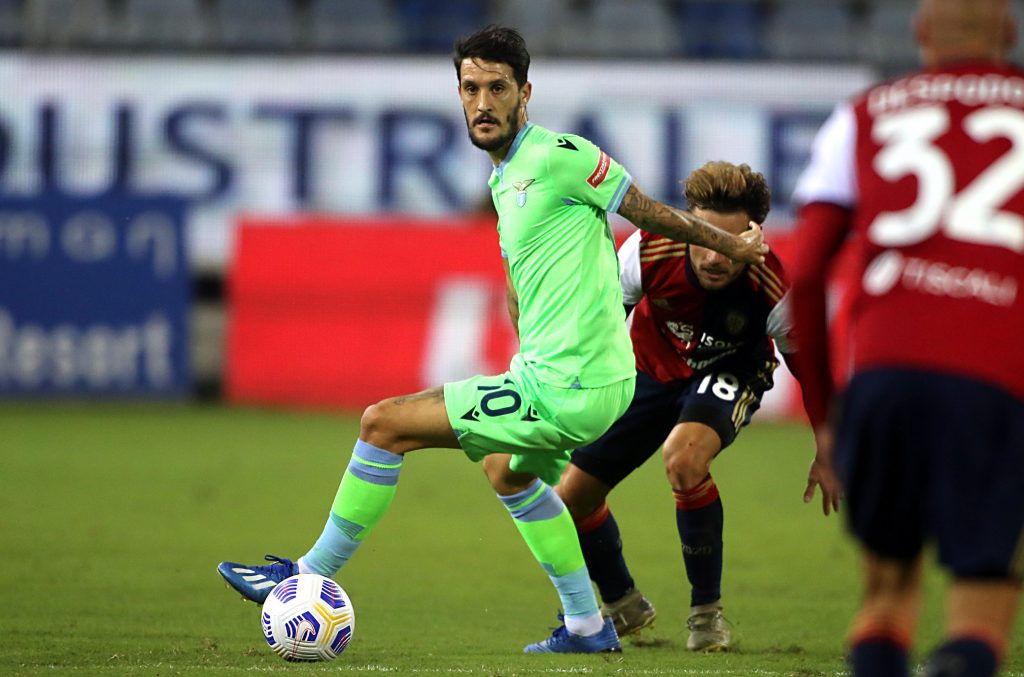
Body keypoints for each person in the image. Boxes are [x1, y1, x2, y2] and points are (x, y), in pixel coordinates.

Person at [217, 24, 767, 655]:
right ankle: (588, 625)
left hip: (576, 385)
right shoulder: (504, 179)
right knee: (506, 471)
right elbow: (527, 273)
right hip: (560, 377)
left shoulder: (563, 155)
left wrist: (733, 245)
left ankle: (307, 573)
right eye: (470, 88)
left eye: (497, 88)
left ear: (524, 93)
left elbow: (647, 211)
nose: (483, 103)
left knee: (382, 424)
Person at [787, 1, 1023, 675]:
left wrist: (828, 414)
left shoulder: (863, 113)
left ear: (919, 32)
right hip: (995, 378)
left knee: (887, 593)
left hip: (884, 380)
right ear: (1009, 31)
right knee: (984, 598)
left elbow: (804, 276)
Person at [555, 160, 841, 652]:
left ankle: (707, 615)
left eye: (730, 244)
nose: (715, 256)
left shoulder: (771, 288)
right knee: (571, 497)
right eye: (704, 238)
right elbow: (603, 329)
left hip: (729, 371)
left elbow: (809, 371)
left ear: (754, 237)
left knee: (684, 459)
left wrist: (827, 445)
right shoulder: (646, 251)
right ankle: (623, 603)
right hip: (649, 370)